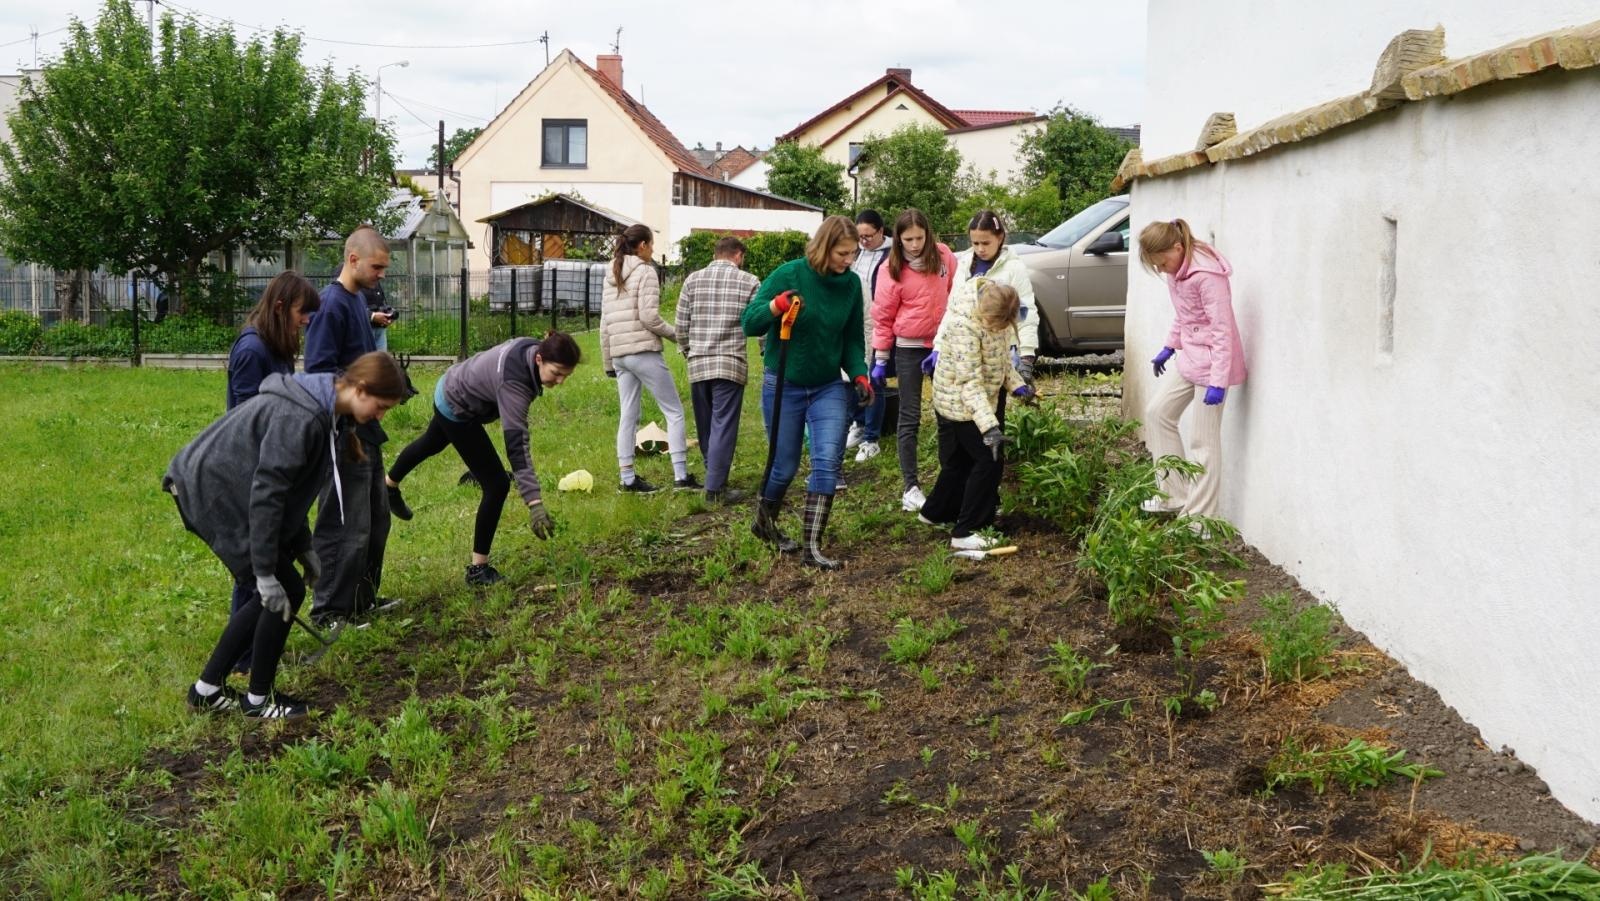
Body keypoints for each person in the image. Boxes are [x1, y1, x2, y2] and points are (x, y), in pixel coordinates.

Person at [170, 352, 408, 719]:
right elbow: (269, 492)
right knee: (280, 590)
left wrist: (303, 547)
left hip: (237, 491)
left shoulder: (331, 415)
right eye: (380, 407)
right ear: (360, 388)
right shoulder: (302, 416)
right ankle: (257, 699)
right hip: (216, 492)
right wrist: (264, 571)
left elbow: (293, 491)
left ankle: (208, 689)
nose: (380, 417)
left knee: (286, 589)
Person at [386, 332, 580, 586]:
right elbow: (517, 447)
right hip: (457, 404)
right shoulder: (515, 385)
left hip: (451, 383)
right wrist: (534, 503)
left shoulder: (530, 348)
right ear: (540, 359)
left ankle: (388, 486)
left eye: (566, 375)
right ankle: (478, 570)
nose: (561, 381)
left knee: (431, 443)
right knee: (497, 484)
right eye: (556, 373)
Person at [740, 215, 873, 569]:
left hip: (828, 384)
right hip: (784, 384)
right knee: (783, 467)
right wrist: (775, 306)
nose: (849, 260)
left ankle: (812, 548)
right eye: (843, 253)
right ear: (823, 247)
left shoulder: (851, 286)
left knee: (827, 461)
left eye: (853, 253)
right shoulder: (790, 274)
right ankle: (763, 522)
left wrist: (860, 374)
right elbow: (750, 322)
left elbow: (851, 340)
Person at [304, 226, 403, 628]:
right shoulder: (330, 305)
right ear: (353, 259)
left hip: (365, 429)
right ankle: (328, 609)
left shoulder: (356, 301)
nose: (381, 274)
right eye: (377, 266)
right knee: (344, 522)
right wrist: (359, 399)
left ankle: (362, 599)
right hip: (342, 432)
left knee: (377, 518)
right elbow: (318, 373)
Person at [223, 271, 321, 673]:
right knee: (255, 568)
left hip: (275, 464)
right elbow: (249, 421)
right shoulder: (251, 350)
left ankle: (257, 650)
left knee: (273, 556)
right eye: (302, 312)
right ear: (280, 307)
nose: (307, 320)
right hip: (252, 470)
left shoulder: (276, 343)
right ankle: (244, 660)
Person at [1136, 218, 1246, 519]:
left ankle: (1201, 520)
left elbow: (1222, 330)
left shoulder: (1207, 276)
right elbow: (1185, 314)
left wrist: (1218, 382)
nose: (1161, 269)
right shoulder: (1176, 269)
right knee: (1158, 414)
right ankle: (1174, 496)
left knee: (1203, 442)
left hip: (1213, 364)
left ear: (1177, 246)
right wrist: (1170, 346)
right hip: (1192, 357)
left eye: (1162, 262)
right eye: (1156, 266)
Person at [921, 279, 1034, 550]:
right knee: (988, 461)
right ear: (985, 313)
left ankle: (935, 512)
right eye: (996, 324)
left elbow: (1002, 362)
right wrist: (989, 427)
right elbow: (969, 382)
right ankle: (968, 530)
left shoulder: (1000, 313)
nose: (1000, 329)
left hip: (976, 400)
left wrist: (1018, 386)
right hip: (959, 404)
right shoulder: (964, 326)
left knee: (959, 461)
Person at [601, 224, 699, 493]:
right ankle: (681, 477)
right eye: (651, 244)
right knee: (674, 411)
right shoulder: (646, 272)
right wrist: (677, 335)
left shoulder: (610, 273)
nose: (653, 249)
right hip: (642, 351)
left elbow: (604, 323)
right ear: (642, 245)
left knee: (628, 416)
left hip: (620, 354)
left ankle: (628, 479)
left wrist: (609, 361)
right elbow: (649, 317)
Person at [870, 208, 956, 513]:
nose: (915, 244)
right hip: (908, 348)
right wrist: (881, 358)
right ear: (899, 239)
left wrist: (945, 339)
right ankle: (911, 486)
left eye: (920, 237)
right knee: (909, 416)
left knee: (949, 413)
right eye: (908, 239)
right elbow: (883, 316)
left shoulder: (944, 257)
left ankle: (951, 482)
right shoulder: (890, 269)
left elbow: (953, 295)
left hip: (942, 347)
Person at [677, 236, 760, 504]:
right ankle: (714, 489)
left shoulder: (692, 280)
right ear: (738, 255)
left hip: (698, 362)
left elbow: (681, 323)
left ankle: (713, 472)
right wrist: (764, 350)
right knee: (723, 424)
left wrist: (688, 350)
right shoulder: (749, 281)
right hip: (729, 362)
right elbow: (759, 321)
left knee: (706, 425)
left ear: (716, 254)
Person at [949, 209, 1040, 384]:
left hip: (999, 349)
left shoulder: (1014, 268)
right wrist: (939, 346)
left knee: (995, 405)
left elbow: (1025, 311)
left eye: (985, 243)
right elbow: (952, 308)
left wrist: (1027, 355)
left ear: (999, 238)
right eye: (975, 243)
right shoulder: (964, 265)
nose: (980, 249)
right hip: (967, 348)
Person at [845, 210, 892, 463]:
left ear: (880, 232)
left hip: (879, 325)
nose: (863, 241)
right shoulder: (856, 251)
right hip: (855, 323)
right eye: (859, 236)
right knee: (853, 377)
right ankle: (859, 423)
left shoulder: (892, 254)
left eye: (868, 236)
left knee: (874, 380)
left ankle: (872, 438)